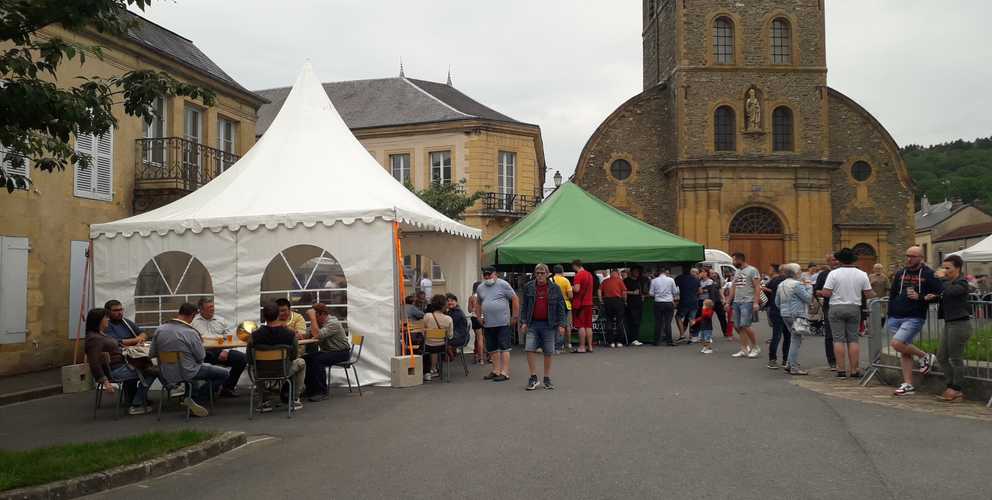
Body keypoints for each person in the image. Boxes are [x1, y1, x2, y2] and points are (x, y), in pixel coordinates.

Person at [150, 303, 229, 417]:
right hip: (188, 371)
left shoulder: (160, 329)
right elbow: (201, 356)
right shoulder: (191, 332)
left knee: (193, 371)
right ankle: (197, 399)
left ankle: (188, 395)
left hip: (166, 372)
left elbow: (152, 353)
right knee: (224, 373)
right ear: (192, 315)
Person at [888, 245, 943, 396]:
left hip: (914, 316)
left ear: (920, 258)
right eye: (907, 255)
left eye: (912, 256)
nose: (909, 259)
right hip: (896, 316)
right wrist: (890, 313)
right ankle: (908, 384)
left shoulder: (928, 274)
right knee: (903, 350)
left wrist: (920, 297)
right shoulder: (900, 273)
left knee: (896, 344)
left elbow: (939, 293)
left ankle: (925, 356)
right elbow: (893, 293)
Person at [85, 307, 153, 415]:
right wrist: (105, 382)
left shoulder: (100, 334)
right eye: (106, 317)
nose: (108, 320)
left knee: (146, 365)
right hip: (115, 371)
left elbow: (115, 346)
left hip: (121, 365)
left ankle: (131, 400)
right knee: (152, 372)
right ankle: (137, 404)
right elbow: (94, 362)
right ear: (98, 320)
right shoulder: (94, 339)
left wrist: (124, 348)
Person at [820, 248, 875, 378]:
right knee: (853, 339)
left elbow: (826, 293)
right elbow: (868, 293)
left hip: (836, 307)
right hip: (854, 307)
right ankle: (854, 370)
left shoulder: (833, 274)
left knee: (838, 339)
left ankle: (840, 369)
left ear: (840, 260)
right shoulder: (862, 274)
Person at [519, 263, 567, 390]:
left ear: (547, 274)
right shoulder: (528, 287)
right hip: (532, 323)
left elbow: (561, 307)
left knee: (548, 351)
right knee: (529, 348)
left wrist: (562, 324)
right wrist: (523, 322)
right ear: (534, 274)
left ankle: (546, 377)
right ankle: (533, 377)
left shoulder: (555, 288)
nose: (539, 275)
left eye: (542, 273)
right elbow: (524, 306)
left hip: (549, 324)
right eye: (537, 273)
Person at [251, 303, 305, 412]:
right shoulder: (290, 334)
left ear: (264, 317)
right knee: (301, 362)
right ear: (277, 315)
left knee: (253, 365)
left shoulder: (254, 335)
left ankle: (264, 401)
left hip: (261, 372)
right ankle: (294, 399)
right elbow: (294, 355)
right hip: (283, 371)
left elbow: (249, 357)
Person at [935, 255, 972, 402]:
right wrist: (933, 296)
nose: (944, 271)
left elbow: (951, 292)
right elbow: (945, 295)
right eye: (943, 268)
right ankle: (951, 385)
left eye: (947, 268)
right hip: (949, 323)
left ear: (957, 268)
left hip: (960, 324)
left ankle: (957, 389)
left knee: (956, 358)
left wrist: (942, 278)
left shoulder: (962, 282)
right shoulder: (949, 282)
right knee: (941, 356)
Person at [191, 298, 246, 397]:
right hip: (202, 353)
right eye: (209, 307)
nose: (212, 309)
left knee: (242, 359)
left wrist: (226, 350)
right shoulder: (193, 322)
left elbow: (229, 338)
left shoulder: (221, 320)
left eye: (213, 307)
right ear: (201, 309)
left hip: (220, 352)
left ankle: (227, 388)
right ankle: (206, 391)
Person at [475, 267, 518, 381]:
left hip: (503, 322)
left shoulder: (503, 284)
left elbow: (514, 299)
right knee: (492, 348)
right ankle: (496, 370)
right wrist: (478, 317)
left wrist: (515, 316)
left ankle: (505, 372)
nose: (487, 277)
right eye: (485, 275)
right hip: (488, 323)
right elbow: (478, 303)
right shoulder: (480, 287)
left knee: (504, 347)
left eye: (489, 274)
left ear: (495, 274)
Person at [301, 304, 351, 402]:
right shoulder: (318, 323)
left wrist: (312, 318)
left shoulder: (333, 323)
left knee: (317, 360)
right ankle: (310, 390)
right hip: (328, 351)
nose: (313, 319)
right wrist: (299, 334)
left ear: (322, 314)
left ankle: (321, 392)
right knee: (305, 359)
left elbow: (317, 335)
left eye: (315, 316)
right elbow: (309, 334)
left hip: (341, 352)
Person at [776, 263, 813, 375]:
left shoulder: (781, 284)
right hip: (796, 314)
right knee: (796, 340)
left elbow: (777, 302)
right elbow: (807, 298)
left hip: (785, 314)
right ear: (796, 273)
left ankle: (789, 363)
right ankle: (793, 366)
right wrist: (809, 287)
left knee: (794, 338)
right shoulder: (797, 285)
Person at [727, 252, 761, 358]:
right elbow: (733, 287)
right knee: (738, 326)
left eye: (734, 260)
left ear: (740, 260)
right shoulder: (737, 271)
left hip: (748, 301)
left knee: (745, 325)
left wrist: (756, 302)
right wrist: (728, 301)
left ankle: (755, 347)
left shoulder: (752, 270)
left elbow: (757, 287)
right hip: (737, 301)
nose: (733, 262)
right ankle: (744, 349)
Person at [813, 253, 840, 369]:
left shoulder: (842, 273)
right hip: (829, 306)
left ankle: (842, 359)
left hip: (842, 304)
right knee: (829, 334)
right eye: (833, 260)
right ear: (828, 262)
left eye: (837, 260)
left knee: (842, 336)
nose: (836, 262)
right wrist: (822, 293)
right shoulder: (823, 274)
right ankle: (832, 360)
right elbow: (816, 290)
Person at [763, 264, 789, 369]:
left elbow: (765, 289)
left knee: (776, 336)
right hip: (788, 311)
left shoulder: (775, 280)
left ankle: (772, 359)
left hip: (776, 309)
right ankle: (786, 359)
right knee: (788, 336)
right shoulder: (792, 282)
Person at [422, 294, 453, 381]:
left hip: (428, 345)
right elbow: (450, 335)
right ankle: (434, 369)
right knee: (435, 348)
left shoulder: (427, 316)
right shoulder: (448, 318)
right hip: (442, 346)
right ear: (444, 305)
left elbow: (423, 332)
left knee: (424, 348)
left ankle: (427, 372)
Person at [649, 268, 678, 346]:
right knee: (668, 323)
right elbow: (675, 292)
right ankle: (669, 341)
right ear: (665, 272)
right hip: (668, 303)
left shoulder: (654, 281)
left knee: (658, 322)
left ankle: (656, 341)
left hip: (658, 303)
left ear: (658, 272)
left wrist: (658, 294)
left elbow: (651, 293)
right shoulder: (671, 280)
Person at [571, 260, 595, 353]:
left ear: (574, 266)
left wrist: (570, 287)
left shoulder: (578, 275)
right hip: (589, 303)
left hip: (580, 304)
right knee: (588, 326)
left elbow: (577, 289)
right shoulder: (589, 275)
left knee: (581, 325)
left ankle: (582, 347)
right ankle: (590, 346)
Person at [600, 269, 628, 347]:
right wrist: (625, 301)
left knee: (609, 320)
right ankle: (619, 341)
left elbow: (599, 290)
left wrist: (601, 300)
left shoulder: (605, 281)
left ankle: (611, 341)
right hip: (618, 301)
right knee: (620, 321)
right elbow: (624, 292)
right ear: (616, 274)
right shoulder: (619, 281)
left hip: (607, 301)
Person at [624, 265, 649, 346]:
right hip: (630, 304)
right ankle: (632, 339)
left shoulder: (639, 280)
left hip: (639, 304)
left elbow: (642, 291)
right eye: (635, 271)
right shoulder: (626, 281)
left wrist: (642, 295)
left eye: (638, 272)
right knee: (632, 322)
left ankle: (635, 339)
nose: (637, 273)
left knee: (637, 322)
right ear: (631, 272)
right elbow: (622, 292)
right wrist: (632, 292)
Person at [674, 268, 701, 343]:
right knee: (691, 319)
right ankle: (691, 337)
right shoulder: (696, 279)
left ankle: (682, 335)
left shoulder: (679, 278)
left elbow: (674, 288)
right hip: (694, 301)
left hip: (684, 301)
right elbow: (700, 291)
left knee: (678, 317)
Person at [551, 265, 574, 352]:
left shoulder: (550, 280)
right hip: (566, 304)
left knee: (555, 325)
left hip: (553, 304)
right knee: (566, 325)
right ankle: (567, 343)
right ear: (562, 271)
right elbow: (571, 295)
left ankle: (555, 344)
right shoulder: (566, 280)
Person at [468, 282, 486, 364]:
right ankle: (488, 357)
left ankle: (480, 358)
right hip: (485, 318)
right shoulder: (485, 296)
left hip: (475, 318)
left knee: (478, 338)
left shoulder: (471, 297)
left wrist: (474, 308)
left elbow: (469, 310)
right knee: (485, 337)